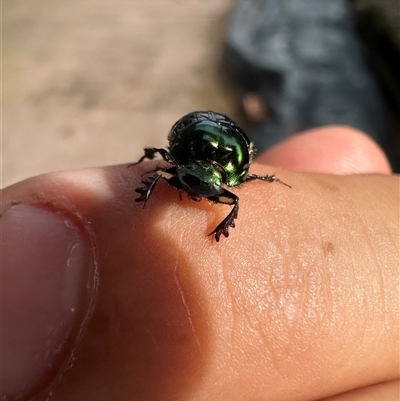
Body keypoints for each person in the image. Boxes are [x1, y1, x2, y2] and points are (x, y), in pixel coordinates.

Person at [1, 126, 399, 401]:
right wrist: (143, 198)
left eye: (203, 188)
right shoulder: (170, 166)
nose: (193, 193)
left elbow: (233, 192)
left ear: (221, 180)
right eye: (186, 180)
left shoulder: (230, 181)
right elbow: (158, 169)